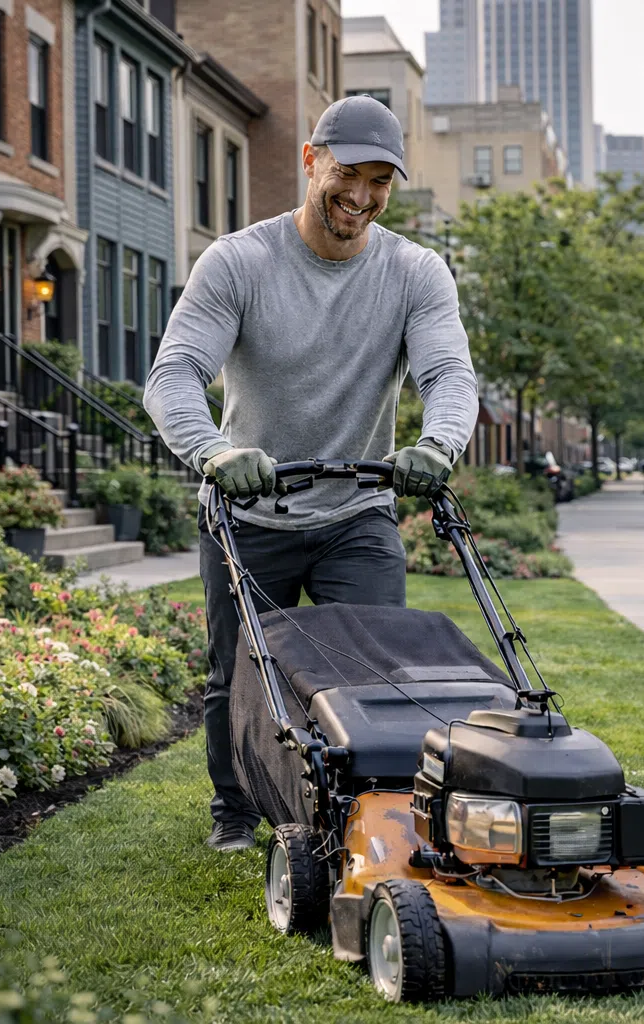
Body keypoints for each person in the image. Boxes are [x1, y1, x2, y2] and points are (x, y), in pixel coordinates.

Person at [143, 96, 479, 852]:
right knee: (238, 674)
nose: (359, 196)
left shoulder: (415, 273)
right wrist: (215, 452)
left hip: (355, 515)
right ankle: (233, 813)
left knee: (372, 670)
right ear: (310, 161)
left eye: (378, 182)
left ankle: (364, 816)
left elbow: (451, 376)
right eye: (346, 173)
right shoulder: (238, 262)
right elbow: (173, 376)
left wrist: (439, 443)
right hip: (249, 514)